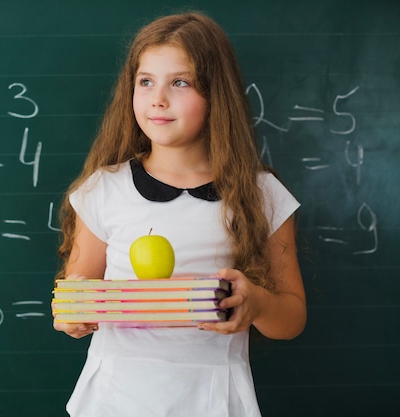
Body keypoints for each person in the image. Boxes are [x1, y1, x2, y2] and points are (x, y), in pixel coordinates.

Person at [53, 11, 306, 417]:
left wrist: (255, 304)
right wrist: (72, 314)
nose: (158, 98)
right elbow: (78, 286)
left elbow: (292, 317)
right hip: (114, 397)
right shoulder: (104, 189)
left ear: (215, 93)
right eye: (146, 81)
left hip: (213, 398)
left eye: (180, 82)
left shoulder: (261, 195)